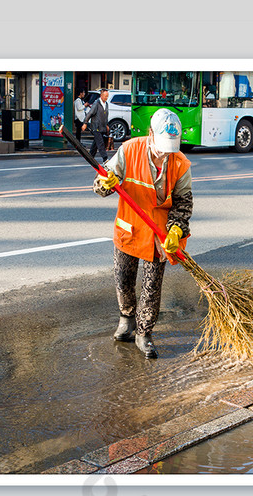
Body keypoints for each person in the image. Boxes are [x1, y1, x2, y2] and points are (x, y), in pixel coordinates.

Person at [93, 107, 193, 359]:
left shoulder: (180, 164)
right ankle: (126, 321)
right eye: (161, 145)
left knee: (151, 287)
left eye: (170, 147)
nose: (164, 153)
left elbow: (183, 203)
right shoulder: (129, 150)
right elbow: (100, 184)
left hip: (158, 233)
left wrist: (176, 230)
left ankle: (144, 333)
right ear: (150, 134)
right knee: (123, 279)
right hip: (129, 227)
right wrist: (106, 184)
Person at [84, 87, 110, 163]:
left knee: (96, 143)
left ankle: (90, 157)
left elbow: (106, 115)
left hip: (102, 127)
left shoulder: (106, 104)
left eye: (107, 96)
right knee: (100, 143)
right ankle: (105, 158)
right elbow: (90, 113)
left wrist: (107, 125)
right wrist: (85, 123)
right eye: (105, 96)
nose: (106, 98)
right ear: (101, 96)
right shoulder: (96, 104)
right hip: (96, 127)